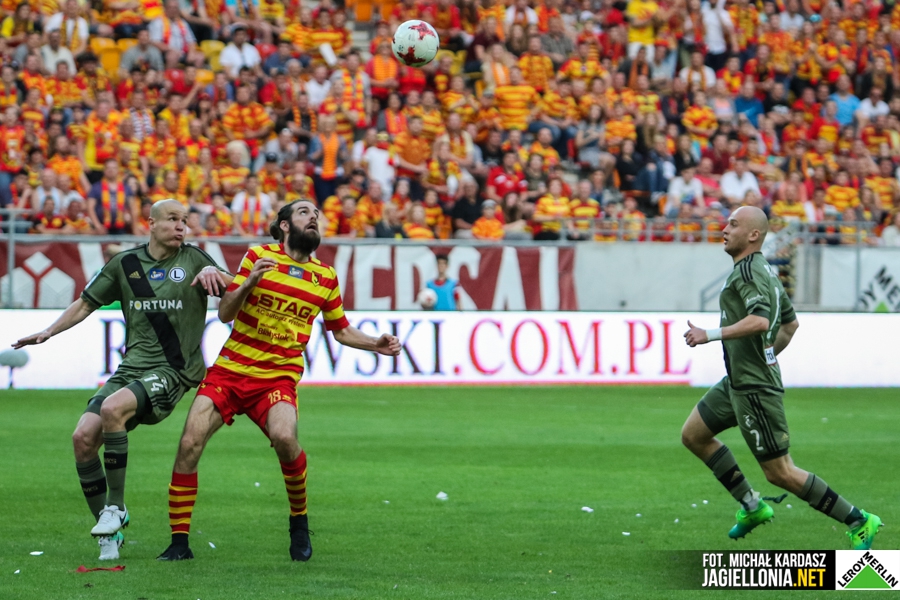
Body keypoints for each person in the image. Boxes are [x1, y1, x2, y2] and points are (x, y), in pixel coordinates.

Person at [156, 200, 401, 562]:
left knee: (286, 438)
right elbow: (225, 313)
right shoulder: (258, 256)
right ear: (284, 225)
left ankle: (299, 521)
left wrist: (374, 344)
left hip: (277, 379)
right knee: (189, 442)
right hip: (231, 371)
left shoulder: (325, 277)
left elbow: (341, 329)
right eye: (304, 213)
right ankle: (179, 543)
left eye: (315, 214)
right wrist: (250, 281)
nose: (313, 217)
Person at [12, 200, 231, 561]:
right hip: (131, 370)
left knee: (112, 409)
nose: (181, 226)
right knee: (83, 438)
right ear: (151, 224)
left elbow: (234, 288)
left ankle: (116, 507)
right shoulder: (124, 264)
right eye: (173, 219)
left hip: (173, 370)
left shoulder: (194, 259)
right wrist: (49, 331)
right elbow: (86, 303)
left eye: (184, 220)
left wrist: (219, 276)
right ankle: (108, 535)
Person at [681, 205, 882, 550]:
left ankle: (859, 520)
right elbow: (790, 324)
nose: (724, 229)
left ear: (753, 235)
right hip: (737, 381)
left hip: (754, 389)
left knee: (781, 472)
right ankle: (752, 506)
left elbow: (760, 321)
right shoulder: (765, 271)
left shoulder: (748, 271)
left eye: (733, 224)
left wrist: (709, 334)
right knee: (694, 435)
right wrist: (766, 356)